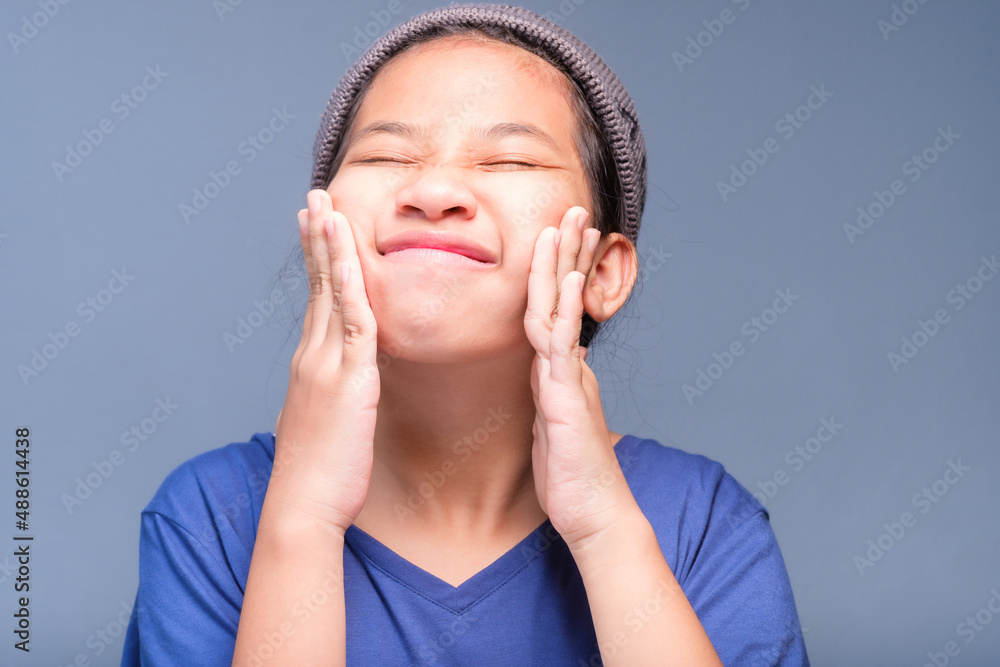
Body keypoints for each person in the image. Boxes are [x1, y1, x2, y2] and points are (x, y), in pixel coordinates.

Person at [121, 5, 809, 665]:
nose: (433, 191)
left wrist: (605, 531)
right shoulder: (210, 516)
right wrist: (302, 518)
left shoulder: (704, 520)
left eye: (510, 161)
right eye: (385, 156)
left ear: (601, 272)